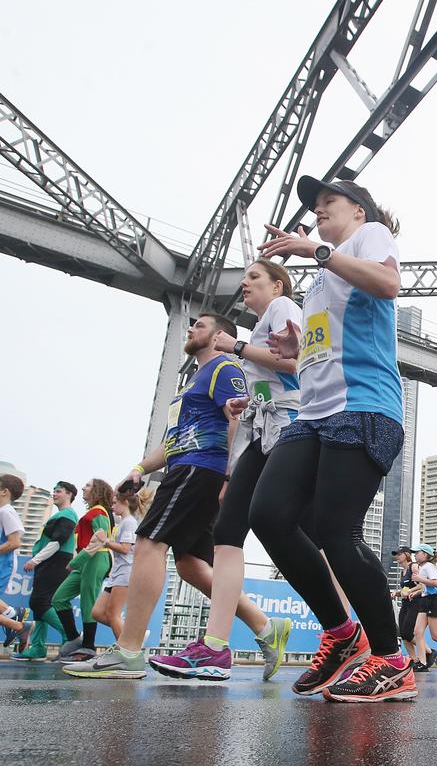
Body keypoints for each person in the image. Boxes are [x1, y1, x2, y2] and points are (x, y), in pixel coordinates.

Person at [247, 175, 415, 703]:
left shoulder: (371, 238)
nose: (318, 210)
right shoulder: (321, 279)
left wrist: (316, 249)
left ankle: (391, 659)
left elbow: (388, 286)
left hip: (363, 404)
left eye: (328, 202)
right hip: (314, 412)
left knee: (339, 533)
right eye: (314, 207)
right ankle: (343, 634)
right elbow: (315, 349)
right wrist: (295, 343)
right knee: (269, 515)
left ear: (359, 211)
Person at [64, 314, 283, 679]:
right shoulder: (193, 380)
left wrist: (231, 475)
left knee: (149, 542)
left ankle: (128, 652)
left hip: (200, 469)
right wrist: (140, 468)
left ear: (220, 336)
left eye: (200, 325)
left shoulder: (224, 367)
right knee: (189, 564)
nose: (191, 328)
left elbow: (239, 421)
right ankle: (265, 627)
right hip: (190, 465)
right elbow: (173, 441)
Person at [148, 259, 301, 681]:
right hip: (263, 432)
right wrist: (246, 403)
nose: (245, 284)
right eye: (245, 277)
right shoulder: (260, 326)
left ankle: (347, 635)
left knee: (318, 536)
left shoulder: (284, 307)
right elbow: (270, 381)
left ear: (277, 284)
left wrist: (234, 346)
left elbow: (295, 363)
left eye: (254, 277)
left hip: (290, 432)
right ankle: (217, 647)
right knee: (229, 533)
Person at [13, 481, 78, 660]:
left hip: (55, 561)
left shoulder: (68, 515)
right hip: (49, 562)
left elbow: (57, 542)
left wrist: (35, 560)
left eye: (58, 491)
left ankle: (70, 637)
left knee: (40, 602)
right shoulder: (61, 515)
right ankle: (38, 647)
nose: (54, 494)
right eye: (54, 491)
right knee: (39, 604)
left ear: (69, 494)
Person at [54, 479, 115, 662]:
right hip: (87, 560)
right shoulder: (94, 512)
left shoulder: (99, 512)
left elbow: (99, 540)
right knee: (59, 598)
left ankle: (88, 647)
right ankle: (74, 639)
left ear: (97, 490)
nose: (83, 487)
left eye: (87, 485)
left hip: (95, 559)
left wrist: (76, 561)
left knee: (88, 602)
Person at [91, 489, 150, 641]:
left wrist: (105, 541)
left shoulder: (130, 522)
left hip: (125, 572)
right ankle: (134, 637)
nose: (112, 506)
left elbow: (125, 548)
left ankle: (125, 649)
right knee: (97, 613)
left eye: (115, 502)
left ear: (124, 503)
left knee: (113, 614)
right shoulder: (123, 522)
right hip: (116, 573)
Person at [0, 475, 32, 649]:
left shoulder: (7, 511)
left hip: (3, 564)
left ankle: (18, 624)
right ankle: (16, 619)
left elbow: (15, 542)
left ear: (5, 491)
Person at [392, 547, 424, 665]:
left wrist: (410, 591)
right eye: (396, 554)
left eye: (399, 554)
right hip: (405, 603)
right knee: (403, 634)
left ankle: (429, 651)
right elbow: (405, 590)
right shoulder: (403, 571)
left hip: (416, 602)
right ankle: (414, 659)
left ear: (406, 554)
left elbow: (422, 585)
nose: (397, 557)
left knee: (407, 633)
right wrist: (396, 593)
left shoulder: (413, 566)